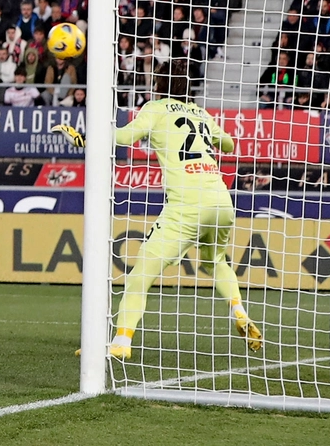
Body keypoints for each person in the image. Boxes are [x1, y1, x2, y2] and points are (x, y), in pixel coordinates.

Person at [53, 61, 262, 359]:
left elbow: (125, 138)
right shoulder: (200, 113)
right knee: (215, 260)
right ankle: (238, 311)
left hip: (187, 205)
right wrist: (213, 136)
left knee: (140, 275)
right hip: (220, 201)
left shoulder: (155, 108)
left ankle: (121, 343)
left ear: (160, 84)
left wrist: (87, 137)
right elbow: (228, 144)